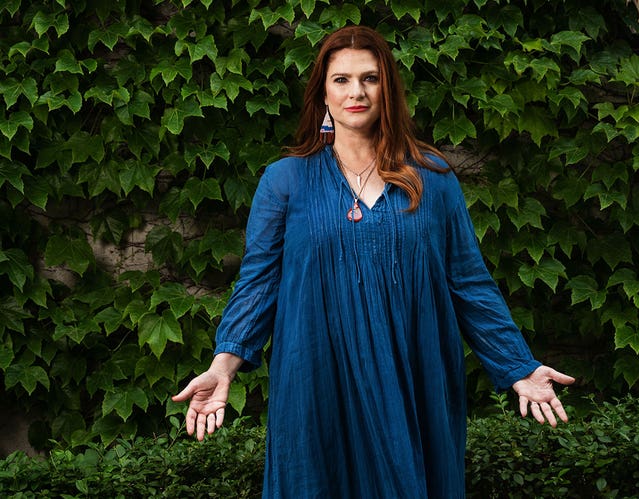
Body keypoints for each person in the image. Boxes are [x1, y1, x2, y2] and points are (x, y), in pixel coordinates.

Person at [172, 25, 575, 498]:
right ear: (322, 92)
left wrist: (518, 366)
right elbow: (258, 285)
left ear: (389, 89)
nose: (356, 92)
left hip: (413, 376)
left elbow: (469, 282)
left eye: (370, 78)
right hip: (317, 379)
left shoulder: (434, 178)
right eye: (341, 79)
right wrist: (223, 369)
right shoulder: (285, 181)